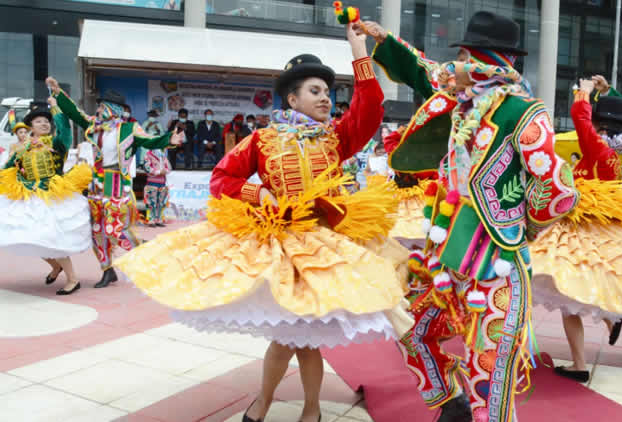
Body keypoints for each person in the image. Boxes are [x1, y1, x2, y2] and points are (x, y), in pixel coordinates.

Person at [113, 24, 409, 422]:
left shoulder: (336, 138)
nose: (325, 98)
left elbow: (371, 107)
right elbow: (222, 179)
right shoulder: (262, 140)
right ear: (293, 98)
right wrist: (259, 194)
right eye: (315, 91)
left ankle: (284, 407)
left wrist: (358, 49)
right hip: (280, 246)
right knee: (292, 338)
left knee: (299, 339)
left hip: (326, 245)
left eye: (327, 91)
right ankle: (297, 409)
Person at [359, 11, 579, 421]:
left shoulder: (523, 113)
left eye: (463, 55)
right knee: (410, 327)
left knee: (490, 366)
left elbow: (560, 191)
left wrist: (523, 225)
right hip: (445, 254)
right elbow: (425, 69)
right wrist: (384, 39)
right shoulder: (457, 103)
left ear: (483, 61)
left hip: (497, 261)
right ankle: (449, 402)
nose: (454, 64)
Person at [529, 77, 622, 383]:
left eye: (599, 126)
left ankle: (580, 364)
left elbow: (580, 121)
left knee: (568, 295)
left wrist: (583, 93)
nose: (595, 130)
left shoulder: (600, 151)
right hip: (600, 230)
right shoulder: (620, 158)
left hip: (580, 229)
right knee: (587, 288)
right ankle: (610, 322)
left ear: (605, 128)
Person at [46, 77, 184, 289]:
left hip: (118, 184)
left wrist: (168, 140)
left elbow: (149, 140)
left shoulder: (129, 129)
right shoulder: (95, 126)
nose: (99, 110)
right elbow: (75, 113)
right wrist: (58, 93)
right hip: (97, 184)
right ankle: (107, 270)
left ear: (113, 109)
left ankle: (150, 256)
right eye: (99, 106)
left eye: (102, 106)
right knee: (97, 231)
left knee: (115, 229)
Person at [0, 96, 92, 295]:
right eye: (38, 121)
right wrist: (17, 157)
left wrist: (56, 107)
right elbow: (8, 168)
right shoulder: (22, 147)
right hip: (31, 197)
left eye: (46, 121)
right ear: (31, 126)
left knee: (53, 238)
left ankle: (73, 279)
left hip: (53, 195)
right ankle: (55, 266)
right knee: (30, 237)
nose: (44, 124)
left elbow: (66, 132)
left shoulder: (56, 143)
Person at [144, 147, 171, 227]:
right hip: (152, 182)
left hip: (162, 182)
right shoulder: (148, 154)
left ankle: (158, 219)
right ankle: (151, 219)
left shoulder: (163, 155)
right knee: (152, 201)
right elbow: (147, 168)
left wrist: (165, 171)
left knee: (161, 202)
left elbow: (169, 167)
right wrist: (158, 172)